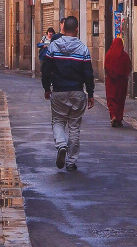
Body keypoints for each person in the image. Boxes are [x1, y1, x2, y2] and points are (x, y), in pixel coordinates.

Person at [43, 15, 95, 172]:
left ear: (63, 29)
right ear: (77, 30)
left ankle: (61, 145)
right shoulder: (83, 49)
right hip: (77, 92)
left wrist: (46, 88)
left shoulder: (53, 47)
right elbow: (88, 73)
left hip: (59, 91)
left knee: (58, 121)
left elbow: (46, 70)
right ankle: (71, 162)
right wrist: (90, 93)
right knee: (74, 126)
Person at [104, 37, 132, 127]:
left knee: (111, 98)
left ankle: (113, 115)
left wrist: (112, 74)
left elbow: (106, 67)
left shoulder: (109, 55)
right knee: (120, 99)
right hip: (122, 82)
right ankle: (119, 118)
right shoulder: (125, 56)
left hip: (111, 81)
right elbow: (128, 68)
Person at [37, 28, 56, 99]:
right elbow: (39, 44)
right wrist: (42, 45)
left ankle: (49, 87)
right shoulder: (44, 38)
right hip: (44, 57)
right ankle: (47, 89)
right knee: (45, 72)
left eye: (51, 33)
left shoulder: (54, 38)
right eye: (49, 33)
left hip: (52, 57)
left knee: (51, 72)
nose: (50, 34)